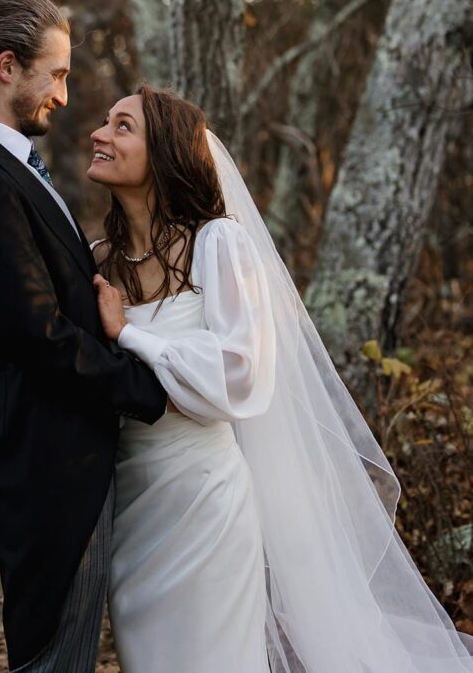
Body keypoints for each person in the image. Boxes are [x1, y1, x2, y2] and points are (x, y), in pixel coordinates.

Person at [88, 83, 473, 673]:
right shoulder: (101, 259)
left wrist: (130, 334)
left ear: (164, 154)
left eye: (122, 126)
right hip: (130, 503)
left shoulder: (219, 242)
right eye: (106, 122)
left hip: (203, 502)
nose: (99, 133)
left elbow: (241, 379)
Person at [0, 0, 166, 673]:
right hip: (42, 457)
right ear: (7, 66)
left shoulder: (7, 162)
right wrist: (145, 387)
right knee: (54, 653)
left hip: (62, 446)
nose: (64, 95)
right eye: (58, 74)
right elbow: (38, 336)